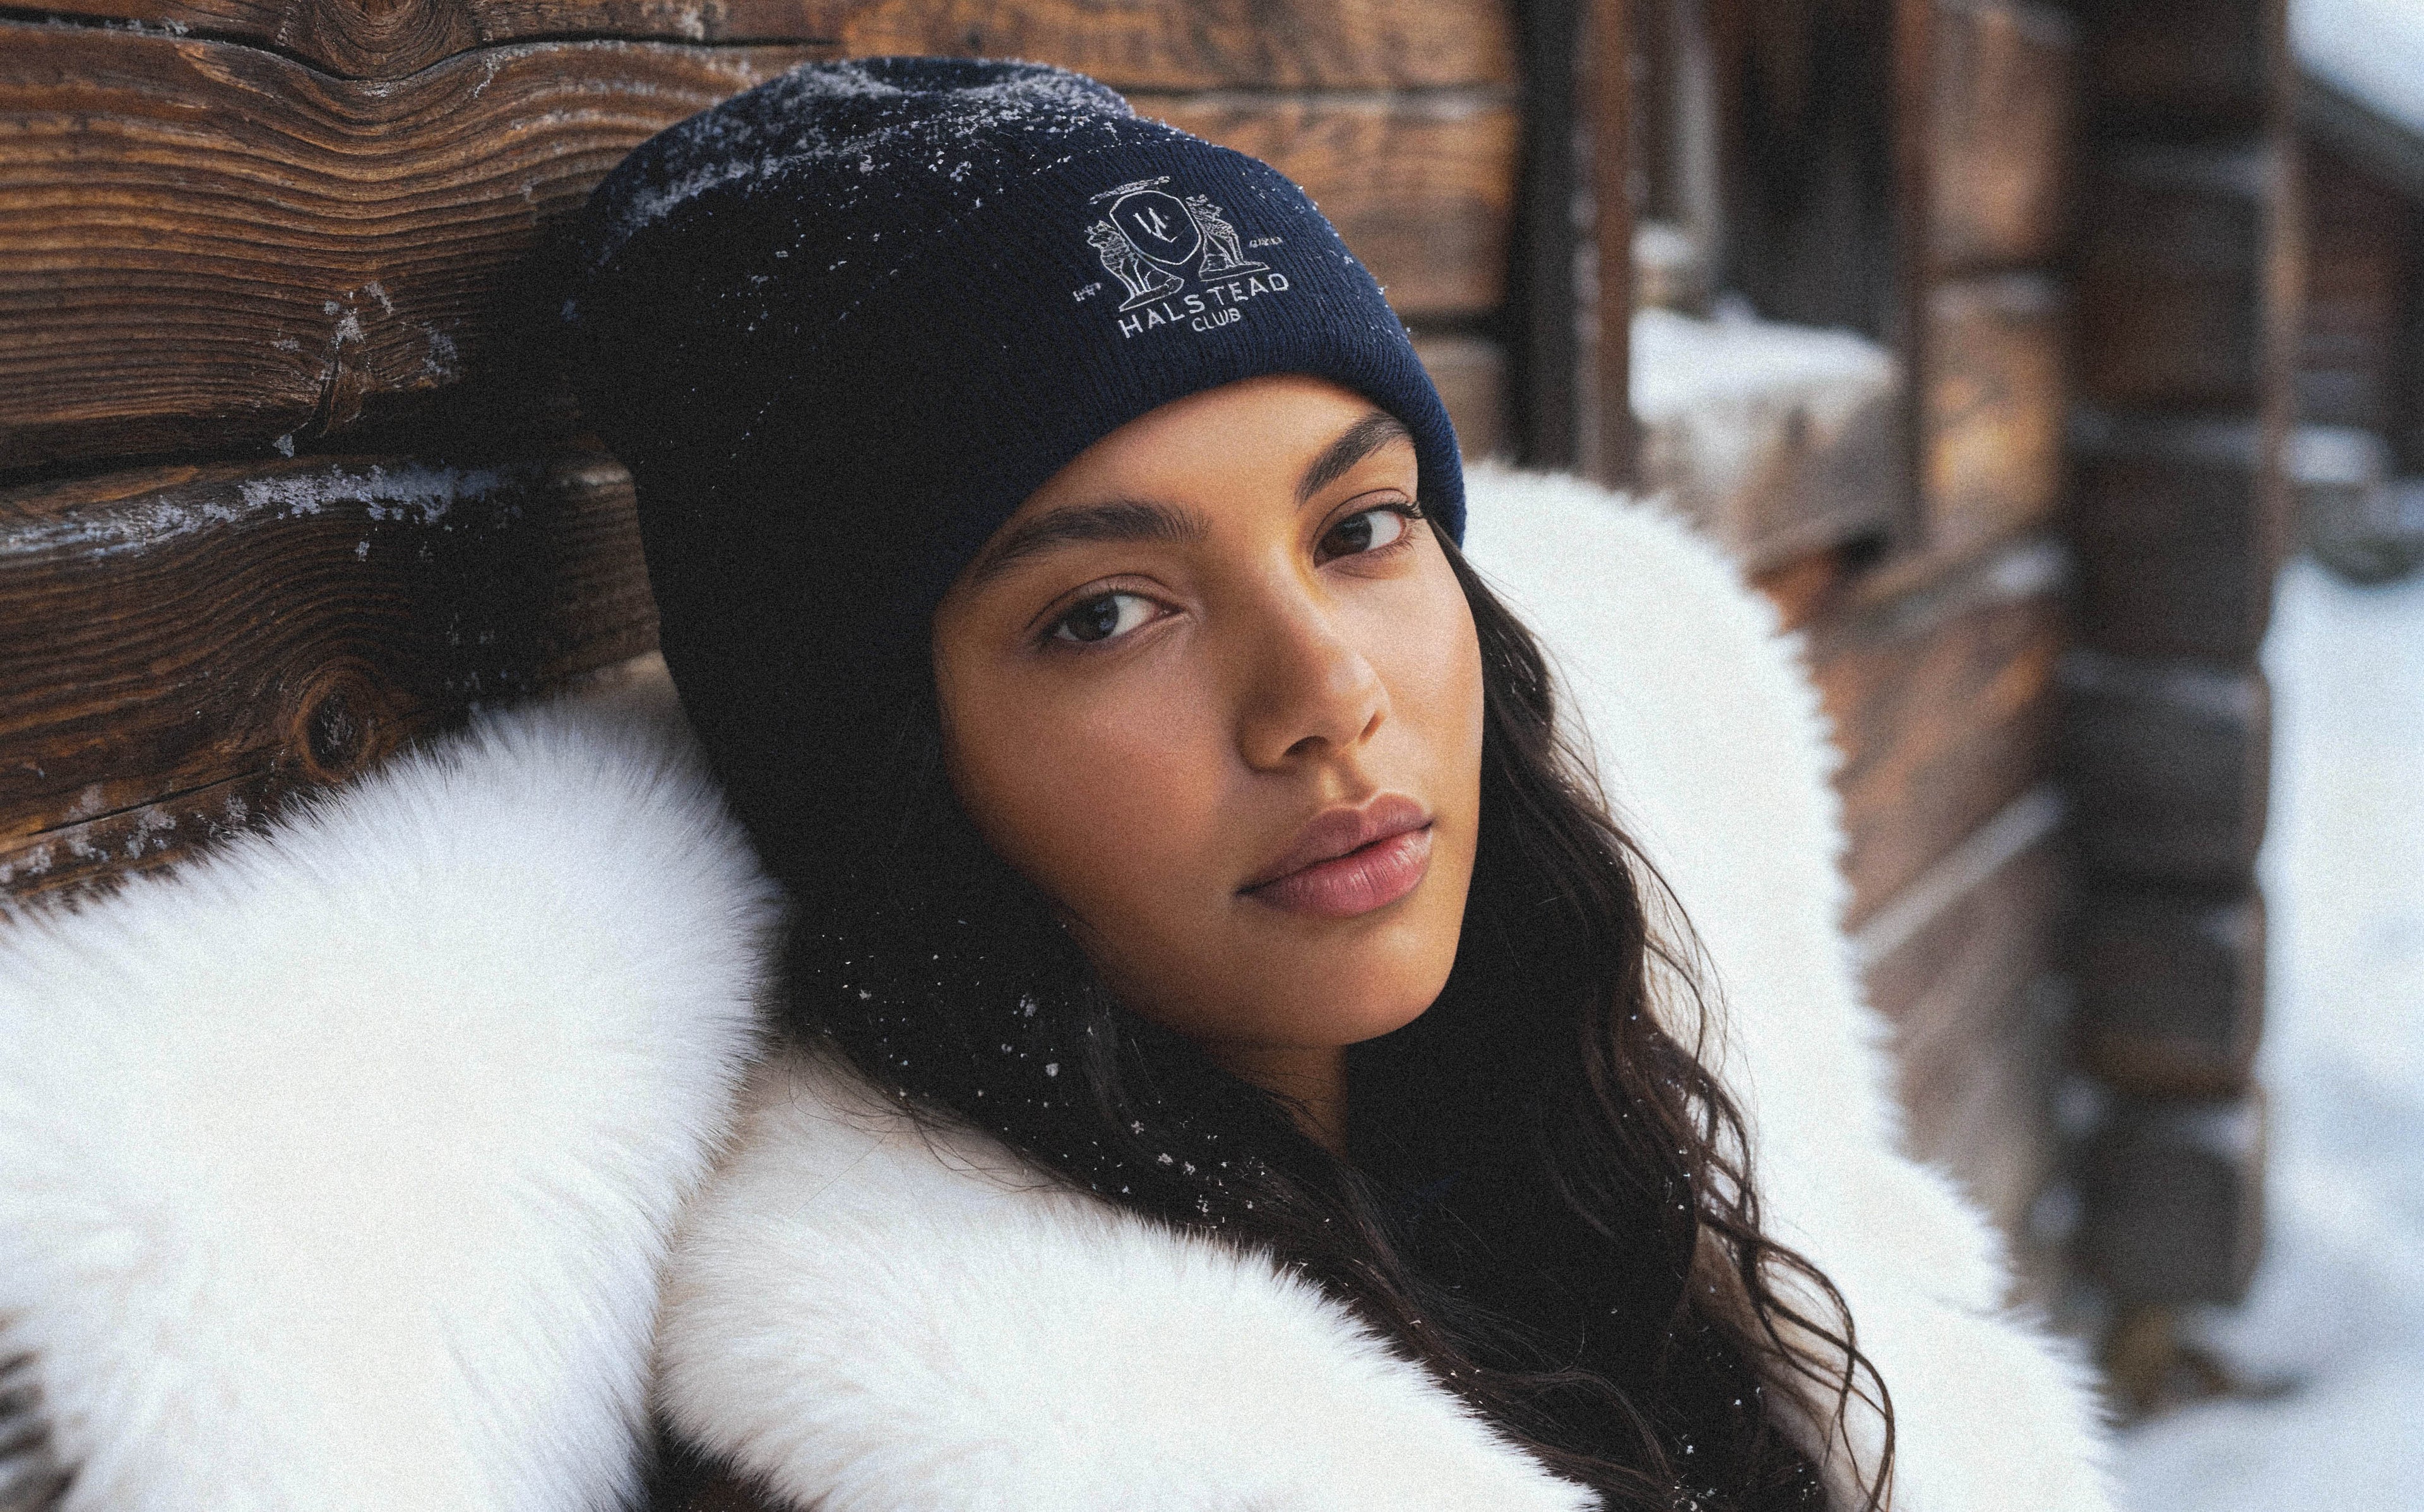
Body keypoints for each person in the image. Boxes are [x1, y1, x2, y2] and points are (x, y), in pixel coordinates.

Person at [0, 57, 2112, 1512]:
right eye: (1106, 612)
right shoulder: (939, 1441)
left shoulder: (1577, 1123)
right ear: (879, 759)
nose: (1323, 700)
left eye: (1362, 528)